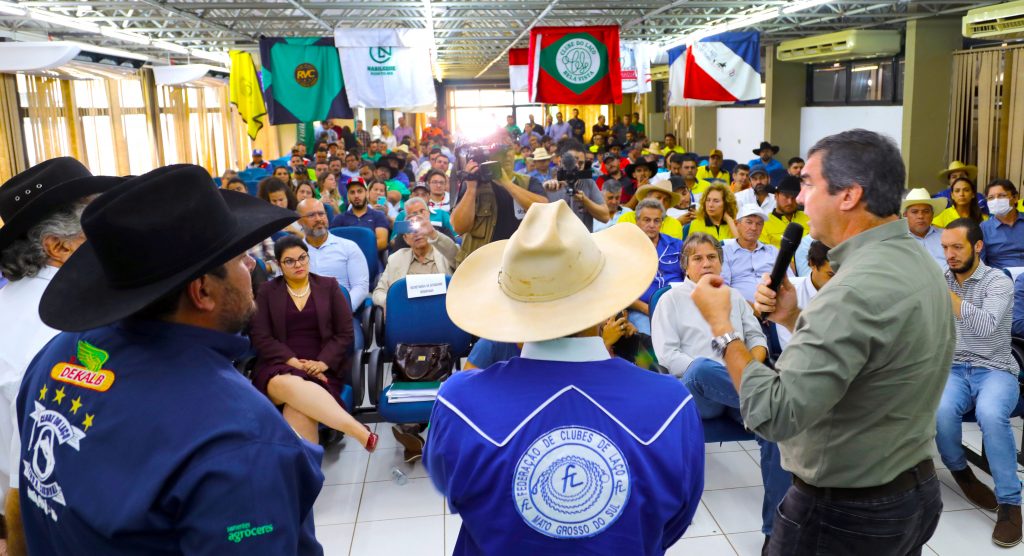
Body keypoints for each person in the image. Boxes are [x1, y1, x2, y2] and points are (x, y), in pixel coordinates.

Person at [17, 164, 325, 554]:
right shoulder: (238, 436)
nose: (251, 266)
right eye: (240, 257)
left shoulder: (56, 356)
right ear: (202, 292)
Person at [690, 129, 953, 555]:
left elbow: (772, 414)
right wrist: (795, 317)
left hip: (844, 514)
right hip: (909, 493)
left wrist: (723, 328)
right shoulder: (914, 258)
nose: (797, 196)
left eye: (808, 184)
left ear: (848, 195)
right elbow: (873, 353)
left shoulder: (852, 289)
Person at [424, 201, 704, 555]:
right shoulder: (671, 404)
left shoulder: (457, 401)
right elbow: (675, 520)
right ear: (605, 301)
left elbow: (451, 488)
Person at [0, 158, 120, 554]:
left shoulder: (10, 304)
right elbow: (26, 482)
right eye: (96, 220)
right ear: (59, 245)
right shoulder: (62, 328)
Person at [651, 232, 788, 545]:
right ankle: (768, 396)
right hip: (697, 392)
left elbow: (757, 340)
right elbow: (668, 356)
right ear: (686, 266)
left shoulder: (734, 298)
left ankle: (776, 533)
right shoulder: (671, 299)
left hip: (740, 391)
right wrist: (733, 371)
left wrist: (748, 371)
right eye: (698, 258)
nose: (706, 262)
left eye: (712, 257)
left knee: (774, 429)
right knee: (702, 367)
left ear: (721, 264)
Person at [936, 218, 1021, 547]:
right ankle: (962, 473)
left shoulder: (997, 282)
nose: (950, 255)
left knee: (990, 414)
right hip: (953, 368)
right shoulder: (942, 279)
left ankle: (1010, 504)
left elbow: (985, 326)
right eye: (944, 247)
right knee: (941, 412)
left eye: (957, 247)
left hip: (995, 368)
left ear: (978, 246)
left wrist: (949, 298)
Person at [250, 235, 376, 449]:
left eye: (302, 258)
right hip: (279, 364)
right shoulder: (267, 292)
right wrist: (297, 364)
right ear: (279, 264)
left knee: (297, 407)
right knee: (284, 382)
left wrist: (321, 364)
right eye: (290, 261)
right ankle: (357, 430)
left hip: (322, 366)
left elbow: (345, 333)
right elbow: (261, 336)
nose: (298, 264)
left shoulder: (329, 286)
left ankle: (306, 480)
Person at [450, 145, 548, 265]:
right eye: (500, 151)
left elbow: (544, 209)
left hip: (521, 261)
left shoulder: (528, 182)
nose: (506, 155)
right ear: (488, 155)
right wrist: (471, 188)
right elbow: (459, 227)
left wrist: (506, 183)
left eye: (509, 149)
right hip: (482, 263)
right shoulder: (474, 183)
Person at [298, 199, 369, 312]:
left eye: (321, 214)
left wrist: (341, 310)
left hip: (341, 314)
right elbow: (283, 288)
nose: (318, 219)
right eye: (311, 215)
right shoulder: (293, 253)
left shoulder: (348, 247)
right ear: (299, 221)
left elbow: (361, 287)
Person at [626, 199, 685, 337]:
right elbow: (622, 292)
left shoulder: (677, 246)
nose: (651, 225)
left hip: (676, 307)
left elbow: (689, 278)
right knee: (649, 338)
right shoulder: (626, 248)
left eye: (656, 221)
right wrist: (648, 309)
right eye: (646, 220)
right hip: (642, 310)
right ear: (637, 221)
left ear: (662, 223)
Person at [540, 141, 609, 231]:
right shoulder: (549, 186)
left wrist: (585, 200)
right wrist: (543, 190)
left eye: (580, 163)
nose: (576, 166)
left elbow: (605, 217)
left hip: (582, 241)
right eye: (572, 162)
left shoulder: (589, 183)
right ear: (560, 162)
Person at [721, 204, 778, 302]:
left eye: (759, 223)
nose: (754, 228)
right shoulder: (724, 252)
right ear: (736, 224)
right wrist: (752, 309)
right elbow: (723, 288)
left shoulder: (772, 251)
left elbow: (792, 281)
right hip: (740, 311)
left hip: (775, 307)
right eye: (749, 222)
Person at [331, 179, 389, 252]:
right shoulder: (339, 219)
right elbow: (332, 242)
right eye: (352, 192)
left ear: (367, 193)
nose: (356, 195)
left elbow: (382, 243)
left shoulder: (378, 216)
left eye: (360, 191)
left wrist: (356, 252)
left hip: (370, 259)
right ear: (348, 196)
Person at [616, 180, 684, 239]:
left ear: (669, 205)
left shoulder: (675, 225)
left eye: (666, 200)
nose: (661, 202)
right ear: (646, 198)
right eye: (658, 197)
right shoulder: (627, 218)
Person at [981, 179, 1024, 269]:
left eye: (1001, 196)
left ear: (1015, 198)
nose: (996, 201)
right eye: (991, 198)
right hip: (1001, 279)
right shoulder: (984, 228)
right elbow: (980, 263)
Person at [902, 188, 948, 271]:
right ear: (905, 215)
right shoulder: (897, 240)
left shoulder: (946, 237)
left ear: (932, 214)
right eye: (915, 212)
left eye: (926, 211)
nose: (920, 216)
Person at [760, 175, 810, 248]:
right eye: (786, 196)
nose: (790, 202)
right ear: (776, 196)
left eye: (794, 197)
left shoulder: (808, 217)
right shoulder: (763, 224)